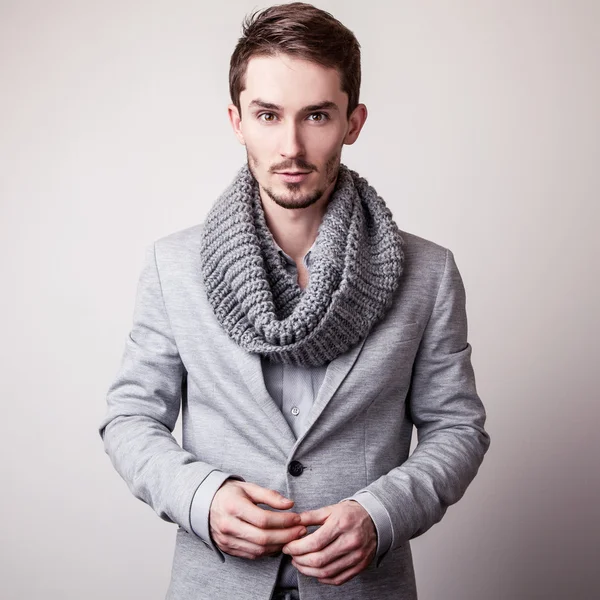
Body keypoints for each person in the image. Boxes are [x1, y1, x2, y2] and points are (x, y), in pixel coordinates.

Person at [98, 3, 491, 599]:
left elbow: (458, 427)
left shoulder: (428, 273)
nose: (291, 146)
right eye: (267, 114)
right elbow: (129, 418)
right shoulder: (172, 265)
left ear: (353, 122)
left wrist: (379, 516)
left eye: (316, 115)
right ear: (237, 121)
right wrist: (203, 498)